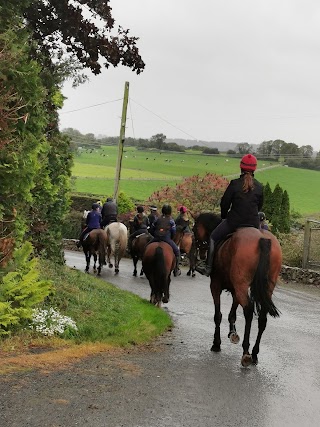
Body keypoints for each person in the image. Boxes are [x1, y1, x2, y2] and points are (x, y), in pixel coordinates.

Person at [196, 154, 264, 276]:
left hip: (234, 222)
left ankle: (208, 268)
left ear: (241, 167)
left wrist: (223, 216)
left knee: (212, 238)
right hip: (253, 223)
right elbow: (260, 206)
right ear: (255, 168)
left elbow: (225, 203)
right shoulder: (259, 186)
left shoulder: (234, 184)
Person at [149, 204, 181, 276]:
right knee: (177, 252)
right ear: (170, 211)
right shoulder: (171, 221)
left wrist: (155, 236)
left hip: (156, 238)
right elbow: (173, 232)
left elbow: (152, 229)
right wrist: (170, 238)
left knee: (146, 248)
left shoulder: (157, 219)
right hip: (166, 239)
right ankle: (176, 269)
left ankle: (144, 266)